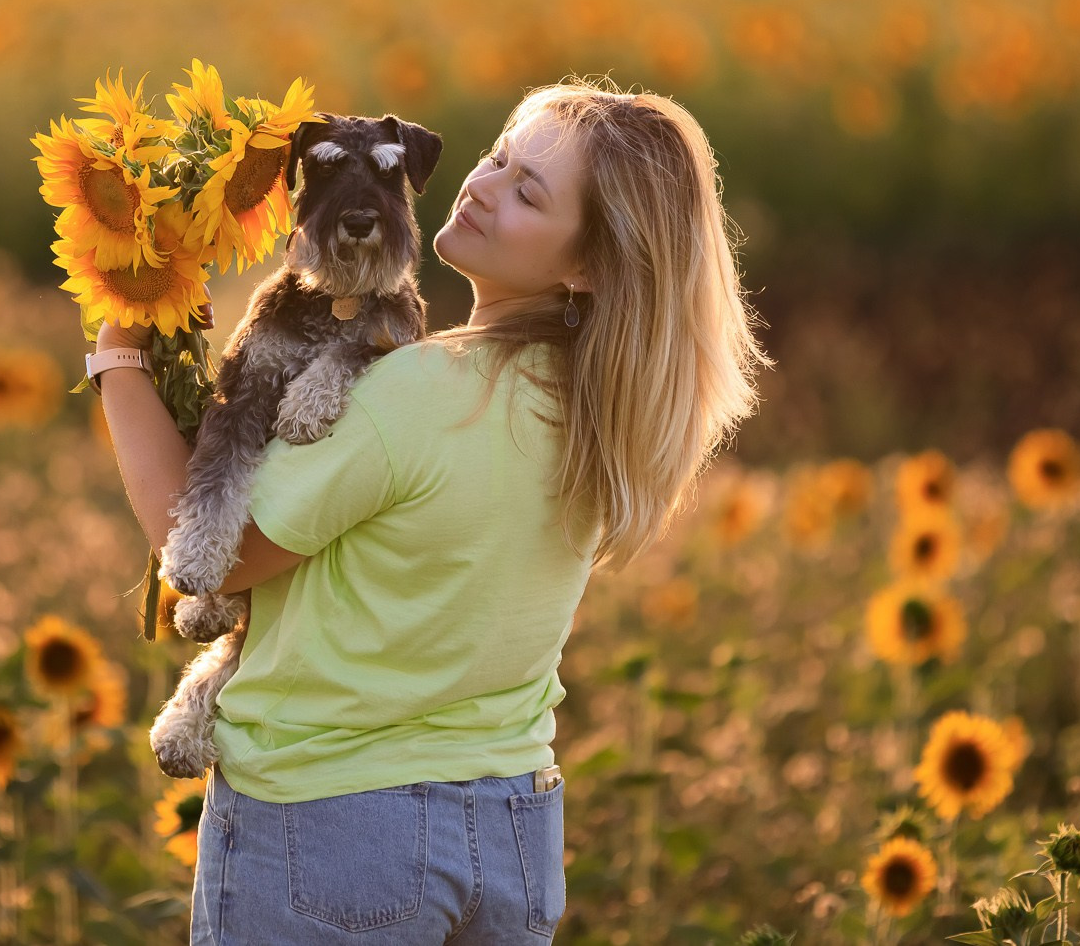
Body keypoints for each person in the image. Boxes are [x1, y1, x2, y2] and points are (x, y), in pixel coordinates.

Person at [93, 76, 773, 943]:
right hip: (514, 834)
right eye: (497, 156)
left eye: (528, 192)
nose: (485, 185)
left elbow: (213, 560)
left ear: (587, 265)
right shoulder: (607, 412)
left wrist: (116, 353)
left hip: (336, 829)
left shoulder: (414, 392)